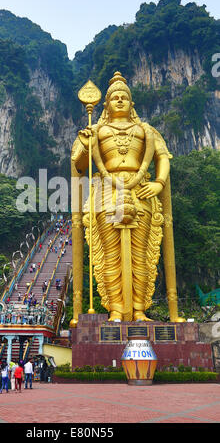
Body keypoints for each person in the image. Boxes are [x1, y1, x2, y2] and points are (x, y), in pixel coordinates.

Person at [71, 70, 184, 323]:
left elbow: (162, 157)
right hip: (106, 193)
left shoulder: (146, 130)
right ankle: (116, 311)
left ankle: (139, 311)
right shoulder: (96, 130)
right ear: (107, 104)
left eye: (124, 96)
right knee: (110, 255)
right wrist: (87, 144)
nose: (119, 100)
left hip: (140, 190)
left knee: (141, 255)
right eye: (114, 97)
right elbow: (78, 165)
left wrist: (159, 182)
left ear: (131, 103)